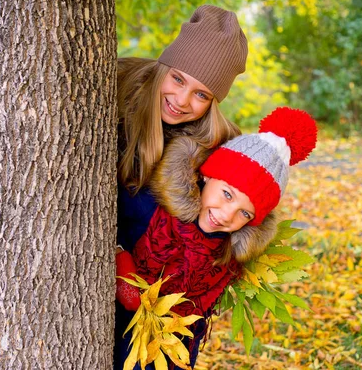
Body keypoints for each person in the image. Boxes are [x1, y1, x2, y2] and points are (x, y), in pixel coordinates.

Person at [116, 107, 318, 369]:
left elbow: (197, 319)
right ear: (207, 175)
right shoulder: (150, 208)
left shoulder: (227, 254)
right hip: (116, 330)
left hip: (173, 347)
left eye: (244, 213)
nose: (225, 215)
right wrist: (119, 254)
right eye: (227, 194)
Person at [114, 4, 248, 369]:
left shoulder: (215, 146)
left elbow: (237, 216)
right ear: (164, 68)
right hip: (112, 271)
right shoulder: (113, 100)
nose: (183, 101)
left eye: (202, 94)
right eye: (178, 79)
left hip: (165, 288)